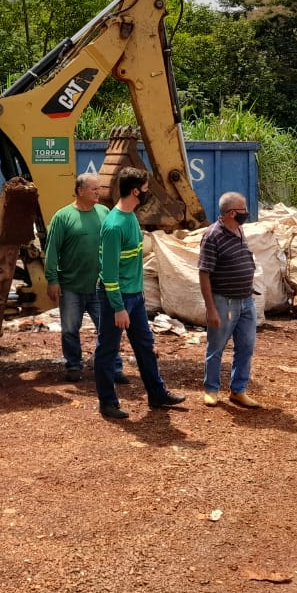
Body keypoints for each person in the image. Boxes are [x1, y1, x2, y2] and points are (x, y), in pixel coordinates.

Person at [94, 166, 186, 420]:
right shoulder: (114, 227)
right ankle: (108, 403)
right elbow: (109, 273)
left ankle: (157, 394)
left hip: (134, 296)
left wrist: (138, 297)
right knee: (107, 350)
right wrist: (119, 307)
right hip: (118, 298)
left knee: (145, 346)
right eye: (145, 190)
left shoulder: (132, 218)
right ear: (135, 191)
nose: (147, 194)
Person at [44, 173, 126, 383]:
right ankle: (73, 365)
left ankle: (114, 368)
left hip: (99, 286)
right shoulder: (63, 217)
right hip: (71, 286)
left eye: (99, 188)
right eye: (94, 189)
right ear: (80, 191)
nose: (99, 193)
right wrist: (52, 280)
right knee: (70, 329)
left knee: (108, 329)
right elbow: (52, 251)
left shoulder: (104, 213)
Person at [198, 191, 261, 408]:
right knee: (216, 346)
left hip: (246, 301)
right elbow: (204, 273)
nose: (247, 214)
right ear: (232, 213)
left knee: (246, 346)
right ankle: (211, 389)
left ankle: (238, 390)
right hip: (224, 301)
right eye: (244, 210)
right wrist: (211, 308)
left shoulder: (238, 230)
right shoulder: (212, 236)